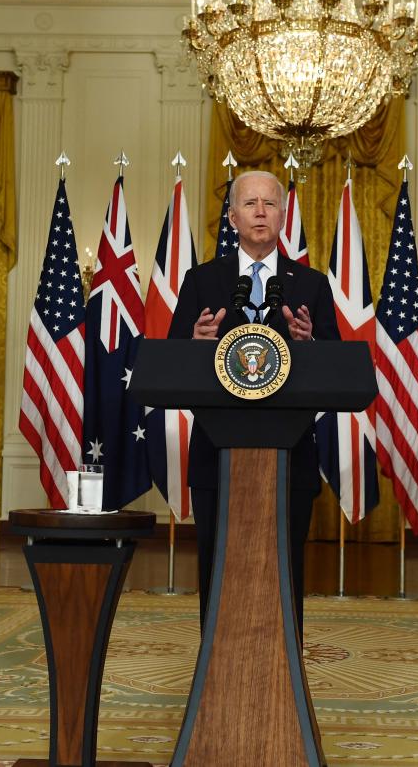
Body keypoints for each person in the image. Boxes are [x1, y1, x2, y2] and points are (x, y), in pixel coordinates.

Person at [168, 170, 339, 634]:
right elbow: (172, 366)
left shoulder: (311, 285)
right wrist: (195, 343)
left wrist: (310, 345)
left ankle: (286, 670)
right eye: (249, 204)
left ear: (284, 215)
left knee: (284, 568)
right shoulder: (201, 281)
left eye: (269, 203)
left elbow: (335, 373)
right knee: (217, 566)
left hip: (291, 456)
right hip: (216, 456)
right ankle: (214, 667)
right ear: (232, 217)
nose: (260, 211)